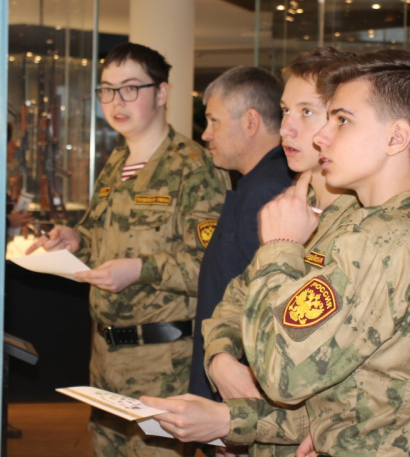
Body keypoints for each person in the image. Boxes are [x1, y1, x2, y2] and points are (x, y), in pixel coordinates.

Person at [144, 49, 410, 457]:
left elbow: (282, 374)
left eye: (342, 120)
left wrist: (280, 248)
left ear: (396, 137)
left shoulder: (370, 244)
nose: (320, 136)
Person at [26, 42, 229, 457]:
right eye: (107, 89)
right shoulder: (116, 163)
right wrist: (75, 241)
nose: (116, 101)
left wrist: (140, 269)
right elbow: (101, 237)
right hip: (105, 359)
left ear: (162, 92)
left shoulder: (194, 167)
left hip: (162, 365)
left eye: (130, 88)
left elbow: (211, 268)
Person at [200, 48, 357, 457]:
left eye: (306, 112)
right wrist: (220, 360)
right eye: (286, 111)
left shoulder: (362, 229)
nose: (286, 128)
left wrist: (240, 422)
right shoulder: (291, 207)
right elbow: (234, 302)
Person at [189, 66, 293, 406]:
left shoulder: (269, 189)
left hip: (240, 389)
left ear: (250, 122)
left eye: (214, 121)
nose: (206, 134)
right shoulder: (257, 183)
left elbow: (263, 306)